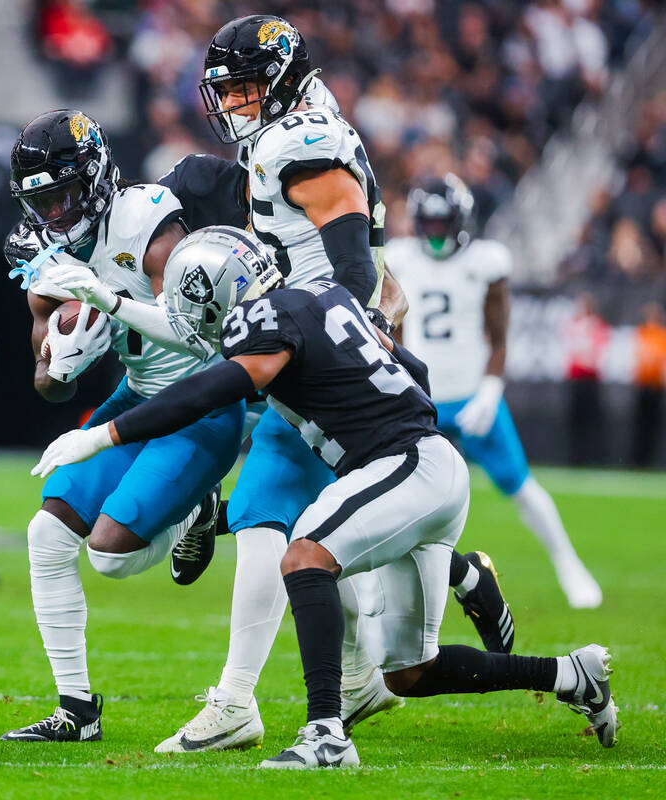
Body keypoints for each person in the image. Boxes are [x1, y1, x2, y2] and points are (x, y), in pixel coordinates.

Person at [34, 227, 619, 768]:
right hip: (425, 464)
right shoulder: (323, 294)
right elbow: (407, 365)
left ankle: (325, 734)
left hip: (403, 465)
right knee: (412, 671)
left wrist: (102, 434)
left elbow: (212, 389)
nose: (192, 327)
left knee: (305, 553)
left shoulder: (263, 320)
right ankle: (573, 674)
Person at [148, 15, 512, 753]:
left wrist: (335, 325)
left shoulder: (299, 140)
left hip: (326, 354)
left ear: (280, 80)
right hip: (325, 344)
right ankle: (453, 588)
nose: (235, 104)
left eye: (246, 87)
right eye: (230, 90)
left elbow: (350, 259)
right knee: (336, 540)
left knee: (268, 519)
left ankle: (237, 701)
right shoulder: (295, 131)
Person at [0, 109, 240, 742]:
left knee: (107, 555)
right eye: (40, 201)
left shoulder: (147, 218)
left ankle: (198, 509)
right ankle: (76, 712)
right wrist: (64, 364)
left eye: (64, 195)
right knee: (46, 535)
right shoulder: (45, 254)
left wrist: (109, 300)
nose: (53, 214)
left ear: (96, 177)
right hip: (137, 397)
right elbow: (45, 384)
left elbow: (195, 334)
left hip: (201, 403)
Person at [389, 175, 602, 608]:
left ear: (461, 220)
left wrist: (489, 391)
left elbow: (499, 337)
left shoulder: (487, 261)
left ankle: (568, 564)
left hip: (471, 397)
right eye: (427, 223)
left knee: (519, 484)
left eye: (441, 223)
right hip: (420, 401)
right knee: (396, 495)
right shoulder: (398, 258)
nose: (434, 233)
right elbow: (395, 332)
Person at [563, 293, 609, 465]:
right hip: (577, 380)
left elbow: (595, 355)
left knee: (591, 420)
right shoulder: (574, 326)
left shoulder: (596, 326)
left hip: (590, 380)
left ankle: (593, 457)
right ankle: (576, 457)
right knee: (576, 420)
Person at [630, 302, 666, 467]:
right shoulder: (642, 333)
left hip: (655, 386)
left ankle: (648, 462)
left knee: (653, 426)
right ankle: (638, 460)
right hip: (643, 385)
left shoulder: (661, 335)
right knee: (640, 425)